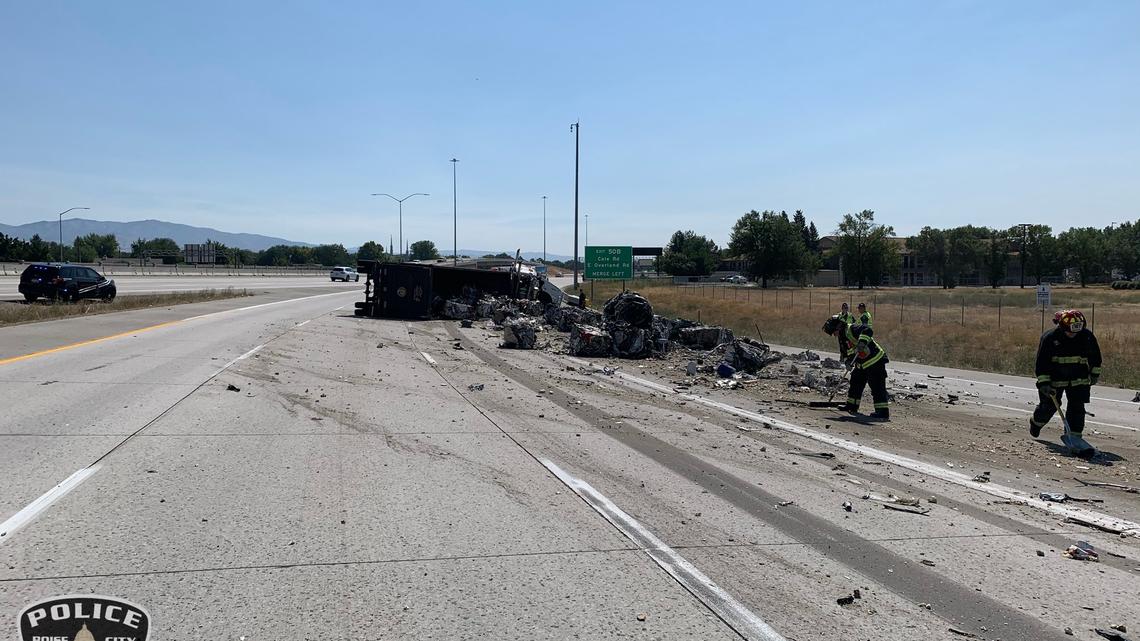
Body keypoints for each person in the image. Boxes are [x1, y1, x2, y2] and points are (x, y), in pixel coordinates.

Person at [1030, 309, 1101, 456]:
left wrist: (1094, 374)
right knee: (1048, 407)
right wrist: (1044, 383)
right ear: (1061, 328)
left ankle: (1074, 439)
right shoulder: (1050, 338)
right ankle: (1036, 423)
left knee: (1077, 408)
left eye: (1076, 332)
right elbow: (1041, 363)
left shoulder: (1086, 337)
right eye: (1070, 332)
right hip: (1054, 381)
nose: (1073, 334)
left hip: (1078, 380)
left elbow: (1095, 357)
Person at [822, 314, 890, 420]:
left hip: (875, 360)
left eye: (834, 332)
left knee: (877, 386)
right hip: (862, 364)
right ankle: (852, 406)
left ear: (839, 327)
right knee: (855, 382)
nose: (834, 335)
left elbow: (867, 330)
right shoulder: (842, 338)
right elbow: (845, 353)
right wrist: (848, 362)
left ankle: (882, 412)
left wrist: (862, 343)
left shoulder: (852, 328)